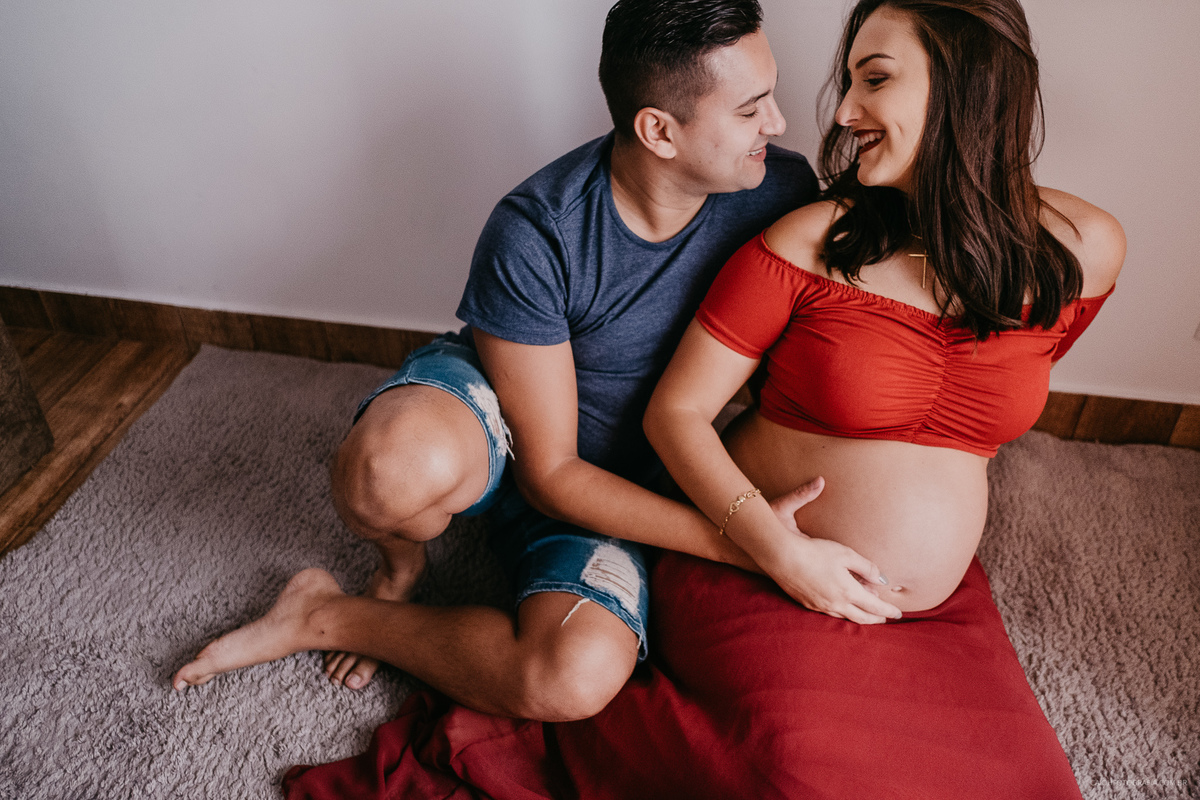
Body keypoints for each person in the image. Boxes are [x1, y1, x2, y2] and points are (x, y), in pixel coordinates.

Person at [172, 0, 901, 721]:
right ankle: (399, 570)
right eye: (752, 109)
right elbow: (552, 475)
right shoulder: (537, 231)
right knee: (384, 477)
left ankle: (324, 614)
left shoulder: (780, 191)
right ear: (659, 130)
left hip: (627, 484)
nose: (776, 125)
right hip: (517, 426)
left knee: (570, 681)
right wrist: (759, 546)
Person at [643, 0, 1125, 616]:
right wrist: (776, 549)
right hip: (760, 567)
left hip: (925, 617)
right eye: (849, 83)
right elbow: (675, 414)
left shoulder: (1083, 249)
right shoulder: (806, 243)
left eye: (874, 78)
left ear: (968, 85)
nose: (843, 112)